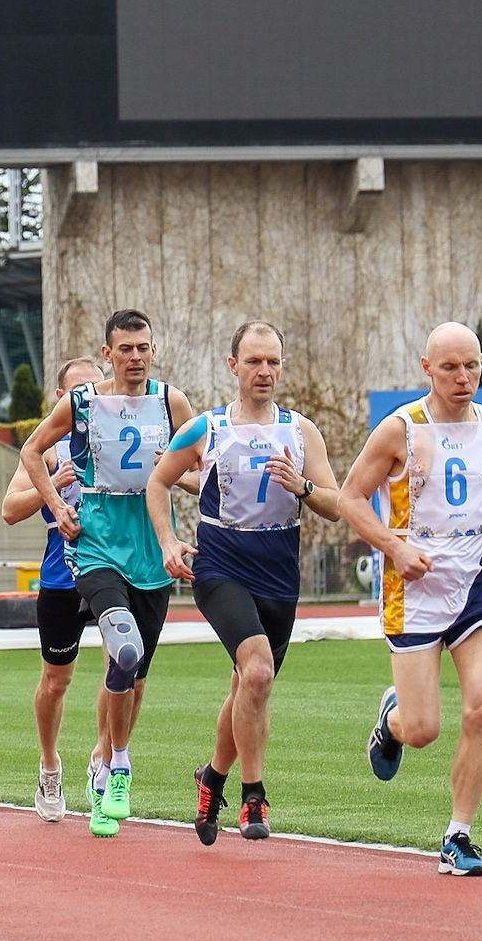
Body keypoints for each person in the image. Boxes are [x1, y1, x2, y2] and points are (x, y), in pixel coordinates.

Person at [337, 321, 482, 876]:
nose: (463, 376)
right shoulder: (401, 429)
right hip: (415, 583)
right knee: (424, 730)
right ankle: (392, 720)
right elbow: (349, 498)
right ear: (426, 368)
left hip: (476, 578)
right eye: (450, 367)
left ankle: (459, 835)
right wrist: (393, 548)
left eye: (472, 365)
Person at [146, 322, 342, 845]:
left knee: (247, 687)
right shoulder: (207, 429)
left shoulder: (301, 433)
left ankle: (212, 777)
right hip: (221, 564)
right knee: (256, 674)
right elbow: (159, 481)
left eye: (273, 361)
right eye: (254, 361)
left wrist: (301, 486)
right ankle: (254, 797)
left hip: (278, 569)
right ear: (233, 366)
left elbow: (334, 504)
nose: (265, 371)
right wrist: (168, 542)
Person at [19, 310, 195, 837]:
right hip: (95, 546)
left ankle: (103, 760)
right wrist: (56, 502)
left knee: (133, 676)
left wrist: (176, 469)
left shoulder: (173, 403)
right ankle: (119, 765)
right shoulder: (81, 403)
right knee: (121, 648)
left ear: (154, 350)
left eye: (143, 347)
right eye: (126, 349)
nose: (135, 357)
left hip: (151, 550)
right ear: (108, 354)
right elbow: (31, 451)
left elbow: (204, 470)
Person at [1, 356, 105, 821]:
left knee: (124, 668)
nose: (88, 396)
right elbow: (9, 509)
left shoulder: (123, 436)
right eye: (77, 389)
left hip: (117, 567)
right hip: (63, 574)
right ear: (61, 397)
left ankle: (105, 760)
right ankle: (49, 764)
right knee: (56, 680)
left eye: (95, 387)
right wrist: (53, 488)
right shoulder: (46, 449)